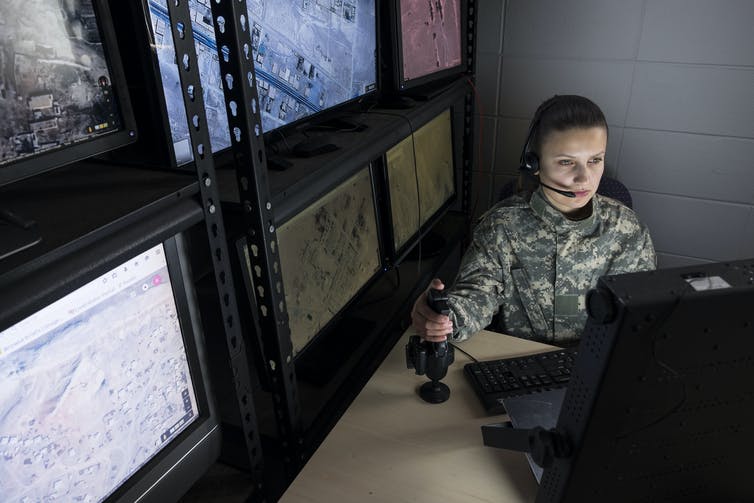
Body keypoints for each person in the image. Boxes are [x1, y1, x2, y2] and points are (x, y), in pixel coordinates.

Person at [411, 94, 656, 347]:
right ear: (534, 163)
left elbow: (642, 316)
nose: (584, 178)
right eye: (566, 162)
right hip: (518, 364)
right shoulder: (501, 226)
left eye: (595, 160)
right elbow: (475, 296)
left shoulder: (628, 230)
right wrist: (442, 317)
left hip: (597, 368)